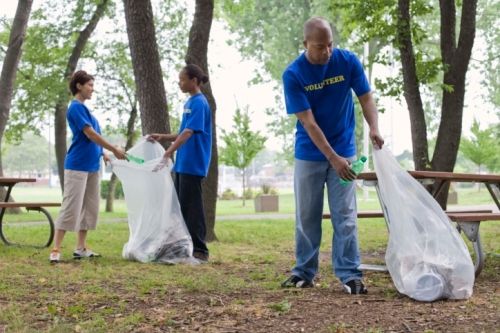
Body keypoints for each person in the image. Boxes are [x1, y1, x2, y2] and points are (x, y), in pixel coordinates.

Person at [281, 17, 384, 294]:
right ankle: (304, 271)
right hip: (309, 153)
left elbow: (366, 98)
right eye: (319, 47)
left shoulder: (347, 61)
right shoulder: (293, 74)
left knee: (346, 215)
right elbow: (309, 123)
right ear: (305, 45)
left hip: (345, 151)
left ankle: (350, 273)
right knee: (307, 215)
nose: (326, 52)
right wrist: (333, 158)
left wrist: (373, 127)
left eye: (329, 45)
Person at [49, 70, 127, 263]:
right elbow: (90, 134)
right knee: (71, 206)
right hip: (77, 165)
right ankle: (56, 248)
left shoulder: (86, 110)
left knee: (89, 208)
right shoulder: (75, 108)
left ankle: (81, 248)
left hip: (93, 166)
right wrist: (114, 148)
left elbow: (93, 141)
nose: (93, 89)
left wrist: (104, 154)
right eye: (90, 85)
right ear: (79, 86)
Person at [148, 64, 212, 263]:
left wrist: (168, 152)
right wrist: (163, 137)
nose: (179, 83)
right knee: (181, 208)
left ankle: (200, 250)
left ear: (194, 80)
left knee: (192, 208)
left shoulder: (200, 102)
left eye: (182, 79)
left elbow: (189, 132)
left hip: (194, 163)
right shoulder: (190, 103)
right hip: (183, 163)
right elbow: (181, 131)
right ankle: (184, 247)